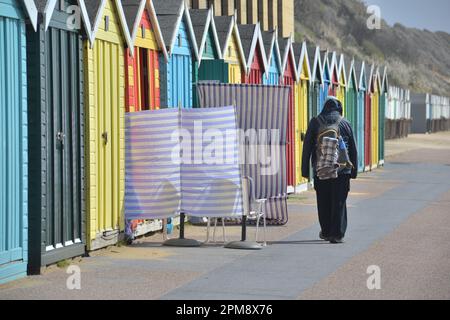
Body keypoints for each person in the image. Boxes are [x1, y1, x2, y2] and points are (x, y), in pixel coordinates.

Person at [301, 97, 358, 244]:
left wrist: (305, 171)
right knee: (339, 201)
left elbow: (307, 146)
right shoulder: (345, 123)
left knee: (323, 201)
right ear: (339, 108)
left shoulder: (315, 122)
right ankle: (337, 234)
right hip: (342, 169)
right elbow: (353, 147)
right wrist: (354, 170)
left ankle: (326, 232)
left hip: (321, 168)